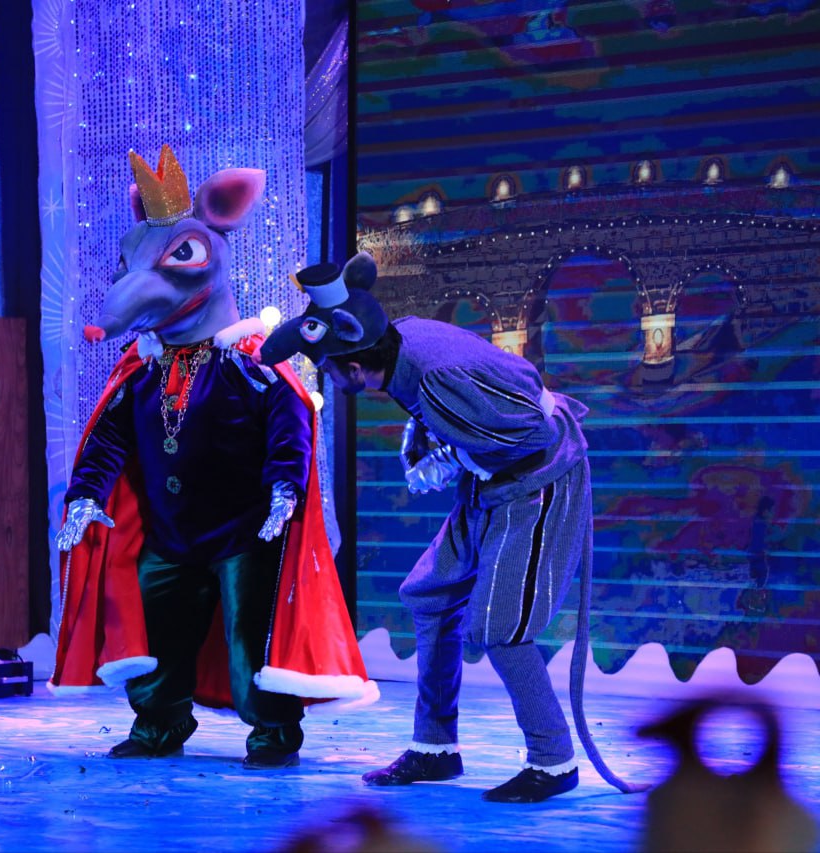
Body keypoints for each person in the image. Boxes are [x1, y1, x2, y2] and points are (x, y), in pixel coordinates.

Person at [257, 251, 638, 802]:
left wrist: (453, 455)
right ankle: (436, 749)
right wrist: (430, 440)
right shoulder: (403, 339)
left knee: (499, 628)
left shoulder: (437, 378)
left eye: (330, 369)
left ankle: (553, 760)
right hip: (492, 484)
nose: (331, 380)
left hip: (537, 482)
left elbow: (532, 431)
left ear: (355, 366)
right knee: (429, 593)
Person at [51, 146, 374, 770]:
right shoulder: (143, 371)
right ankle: (159, 723)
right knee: (157, 631)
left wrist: (285, 489)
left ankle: (272, 732)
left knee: (250, 637)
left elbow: (289, 424)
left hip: (243, 531)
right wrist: (86, 494)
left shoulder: (250, 362)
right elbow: (110, 437)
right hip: (170, 535)